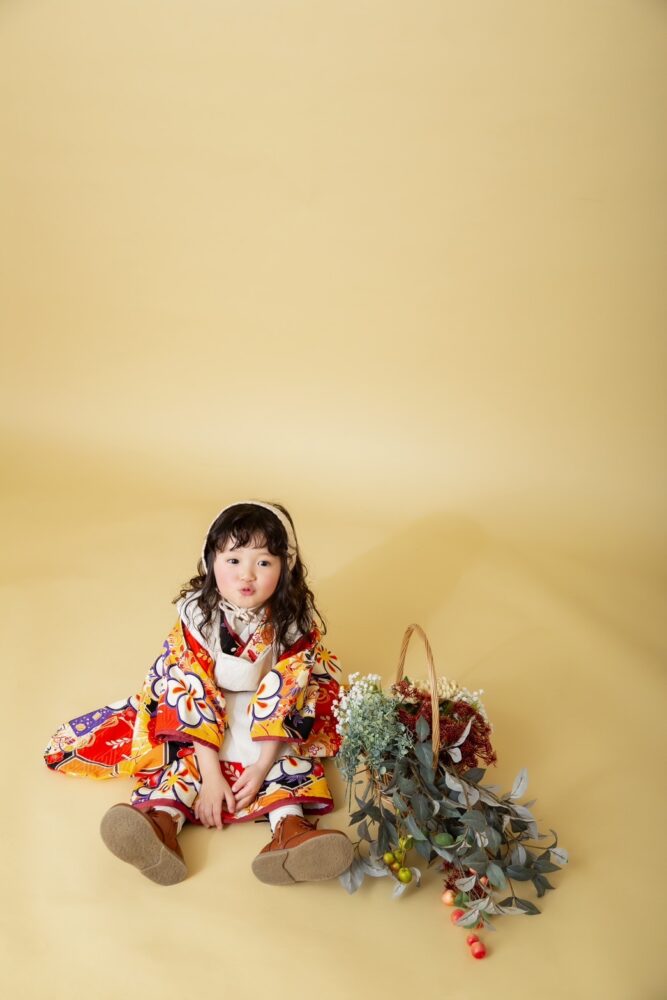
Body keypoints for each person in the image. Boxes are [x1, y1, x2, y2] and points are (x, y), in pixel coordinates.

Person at [44, 500, 353, 887]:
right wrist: (211, 777)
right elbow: (192, 689)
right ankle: (160, 826)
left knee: (285, 758)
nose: (247, 575)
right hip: (204, 716)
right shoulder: (197, 619)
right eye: (233, 560)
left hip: (267, 718)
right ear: (210, 562)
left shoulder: (293, 625)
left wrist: (260, 766)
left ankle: (291, 833)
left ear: (284, 568)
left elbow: (288, 695)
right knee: (180, 755)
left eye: (263, 562)